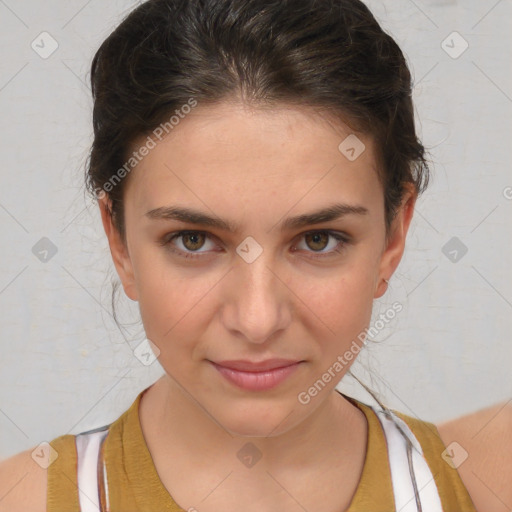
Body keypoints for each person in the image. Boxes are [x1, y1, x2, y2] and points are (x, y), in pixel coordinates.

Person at [0, 0, 510, 511]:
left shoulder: (484, 482)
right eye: (193, 240)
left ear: (393, 235)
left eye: (318, 239)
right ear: (120, 242)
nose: (258, 320)